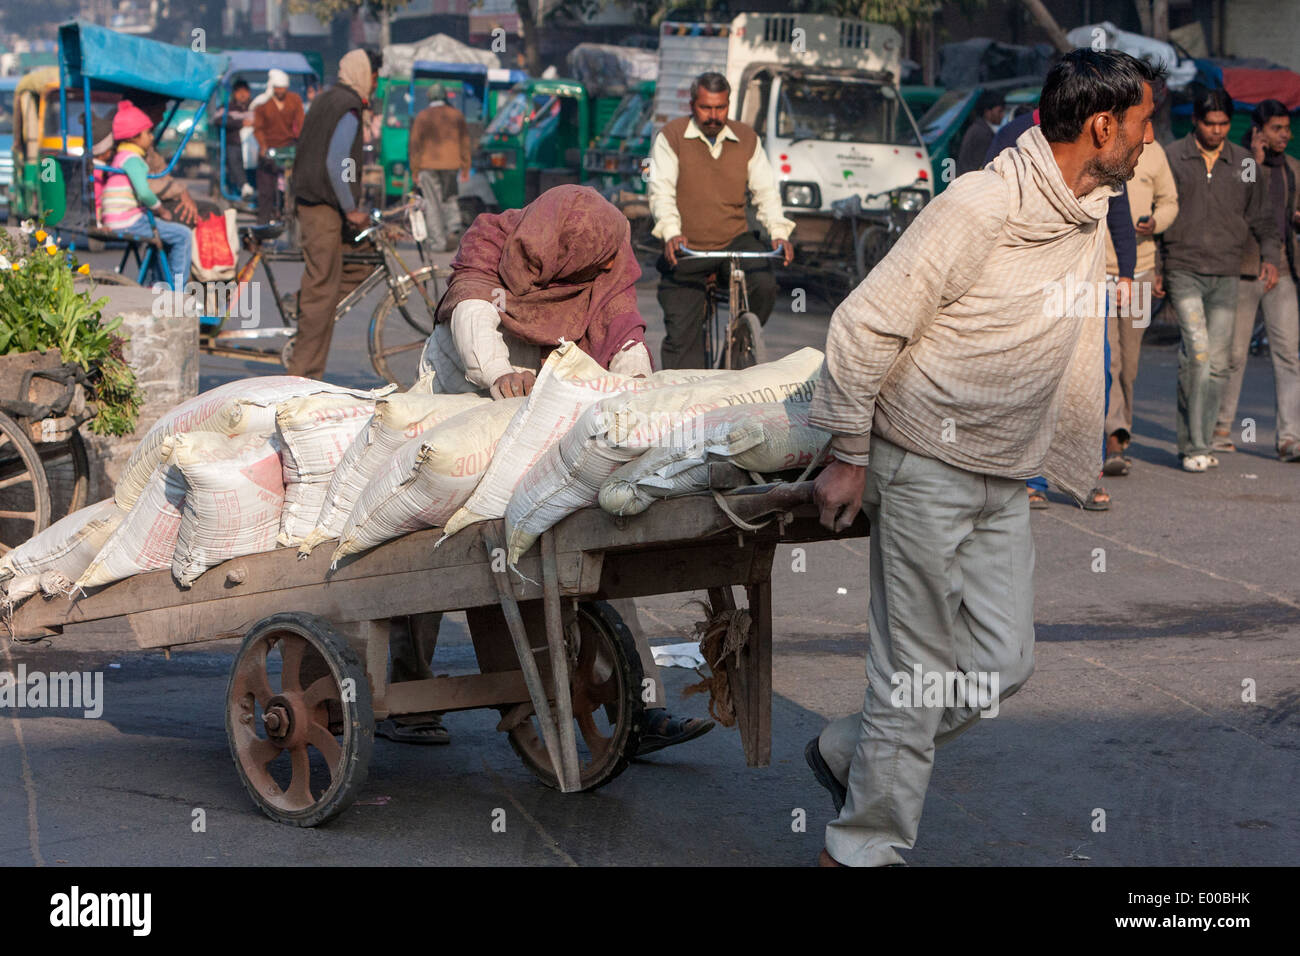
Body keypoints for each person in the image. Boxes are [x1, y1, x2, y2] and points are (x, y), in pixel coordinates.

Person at [806, 49, 1159, 867]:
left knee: (1004, 660)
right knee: (915, 672)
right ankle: (860, 849)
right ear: (1103, 125)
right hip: (921, 460)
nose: (1148, 141)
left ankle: (851, 751)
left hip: (1005, 470)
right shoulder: (981, 202)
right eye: (1143, 124)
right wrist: (850, 452)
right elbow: (864, 325)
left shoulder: (1085, 207)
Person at [391, 185, 712, 754]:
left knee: (590, 535)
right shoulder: (493, 236)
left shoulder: (607, 258)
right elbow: (469, 310)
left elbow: (622, 326)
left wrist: (634, 385)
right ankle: (404, 686)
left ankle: (638, 704)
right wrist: (495, 374)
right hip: (466, 382)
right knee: (434, 533)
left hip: (548, 392)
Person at [984, 103, 1139, 510]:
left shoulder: (1101, 140)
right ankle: (1031, 477)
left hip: (1087, 279)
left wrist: (1126, 270)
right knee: (1039, 375)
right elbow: (992, 196)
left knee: (1095, 373)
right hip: (1033, 277)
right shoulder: (1015, 134)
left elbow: (1117, 206)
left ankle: (1087, 475)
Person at [1160, 88, 1279, 473]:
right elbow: (1159, 210)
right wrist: (1160, 267)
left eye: (1224, 123)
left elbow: (1261, 215)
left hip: (1226, 272)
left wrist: (1270, 256)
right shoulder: (1173, 157)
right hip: (1183, 266)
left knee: (1218, 362)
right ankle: (1192, 443)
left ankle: (1204, 438)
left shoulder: (1244, 163)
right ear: (1196, 121)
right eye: (1210, 123)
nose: (1216, 130)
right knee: (1197, 353)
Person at [649, 71, 794, 370]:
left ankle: (738, 343)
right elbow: (661, 191)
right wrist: (672, 232)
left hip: (733, 239)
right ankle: (686, 404)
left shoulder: (746, 138)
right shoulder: (672, 136)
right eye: (706, 108)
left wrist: (779, 232)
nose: (714, 115)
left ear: (728, 105)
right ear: (692, 105)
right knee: (682, 343)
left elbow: (765, 191)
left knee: (764, 284)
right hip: (687, 245)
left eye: (721, 107)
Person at [1213, 99, 1300, 461]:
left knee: (1289, 356)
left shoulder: (1294, 168)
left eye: (1287, 128)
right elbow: (1231, 205)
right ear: (1259, 130)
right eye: (1278, 129)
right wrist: (1256, 163)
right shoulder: (1239, 163)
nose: (1286, 135)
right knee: (1234, 355)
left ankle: (1289, 438)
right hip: (1245, 269)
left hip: (1281, 270)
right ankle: (1220, 429)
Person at [288, 50, 378, 380]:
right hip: (323, 209)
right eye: (374, 76)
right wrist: (351, 209)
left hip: (317, 204)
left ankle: (302, 303)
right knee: (321, 294)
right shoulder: (348, 107)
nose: (375, 84)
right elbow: (337, 162)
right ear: (363, 74)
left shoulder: (327, 99)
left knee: (362, 259)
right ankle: (300, 375)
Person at [1103, 134, 1178, 475]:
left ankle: (1122, 428)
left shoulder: (1154, 151)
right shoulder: (1100, 146)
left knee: (1129, 363)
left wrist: (1156, 222)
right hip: (1098, 273)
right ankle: (1112, 438)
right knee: (1108, 359)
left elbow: (1170, 201)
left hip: (1142, 270)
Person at [99, 100, 192, 288]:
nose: (151, 138)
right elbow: (144, 193)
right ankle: (178, 291)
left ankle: (157, 283)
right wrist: (160, 210)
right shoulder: (134, 160)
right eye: (147, 133)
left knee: (165, 234)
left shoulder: (119, 157)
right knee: (183, 235)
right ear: (135, 137)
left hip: (115, 219)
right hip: (128, 221)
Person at [409, 82, 471, 253]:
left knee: (432, 202)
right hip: (451, 165)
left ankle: (438, 242)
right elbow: (465, 142)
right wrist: (465, 167)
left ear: (429, 97)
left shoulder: (422, 116)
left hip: (427, 166)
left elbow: (415, 145)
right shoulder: (456, 115)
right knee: (450, 198)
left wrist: (414, 170)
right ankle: (453, 228)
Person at [253, 68, 304, 224]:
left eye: (283, 87)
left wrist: (302, 141)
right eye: (277, 87)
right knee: (266, 189)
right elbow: (258, 128)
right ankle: (263, 223)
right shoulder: (263, 103)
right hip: (269, 147)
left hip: (288, 146)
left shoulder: (294, 100)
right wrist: (263, 146)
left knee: (297, 183)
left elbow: (301, 122)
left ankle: (294, 215)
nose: (280, 91)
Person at [214, 79, 255, 199]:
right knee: (233, 156)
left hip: (253, 144)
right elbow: (218, 120)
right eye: (239, 92)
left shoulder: (256, 107)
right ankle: (243, 186)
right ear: (234, 93)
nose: (243, 94)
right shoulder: (227, 107)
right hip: (235, 143)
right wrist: (241, 123)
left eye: (245, 91)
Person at [956, 89, 1005, 176]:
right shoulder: (983, 134)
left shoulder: (977, 128)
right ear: (987, 112)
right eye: (999, 111)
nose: (1002, 115)